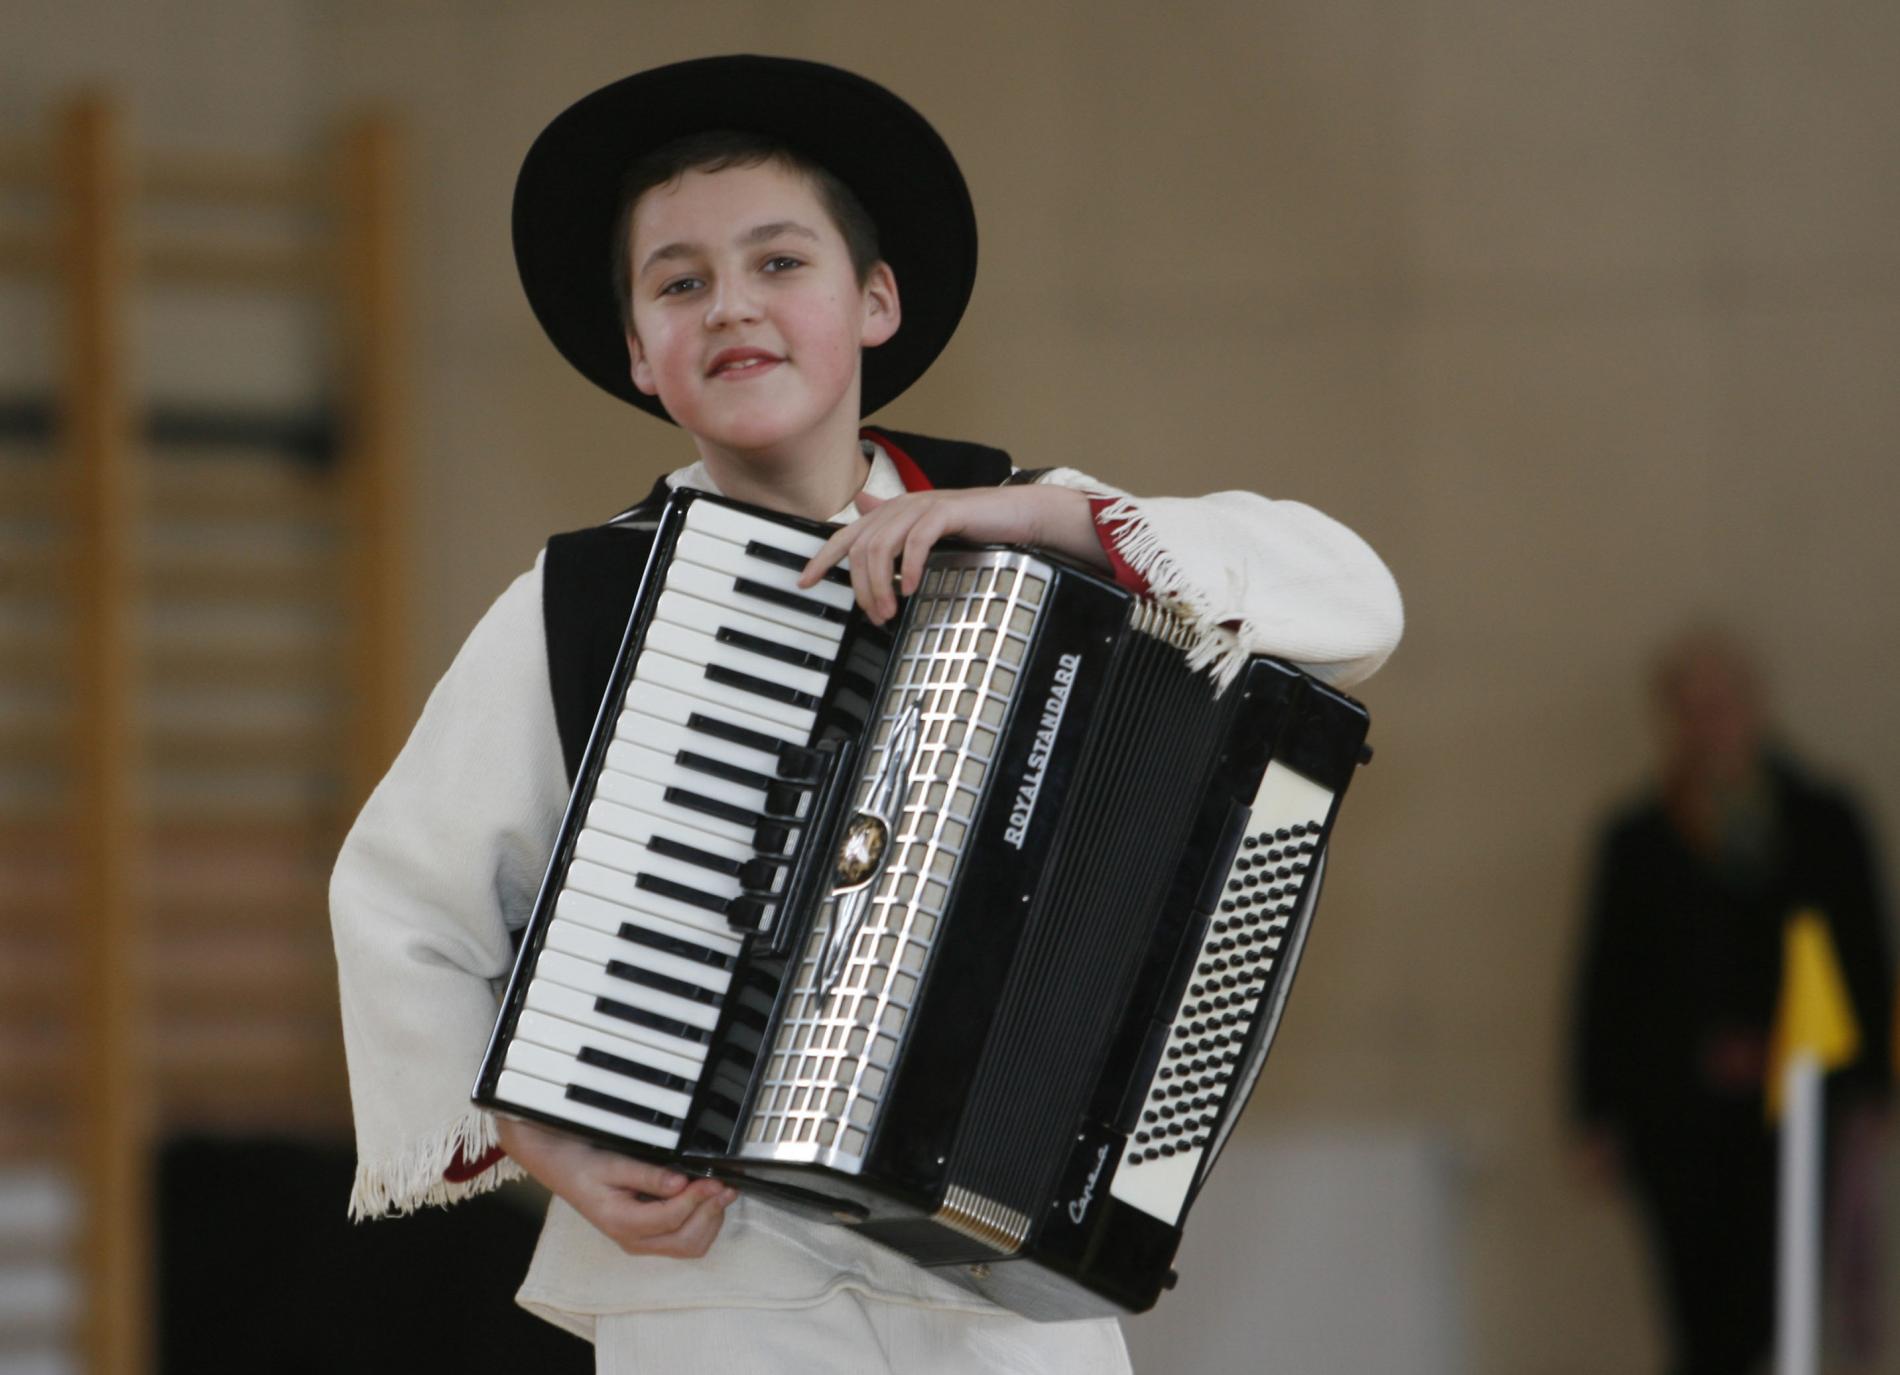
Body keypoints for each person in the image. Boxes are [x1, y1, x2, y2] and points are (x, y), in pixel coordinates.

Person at [331, 55, 1404, 1374]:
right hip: (720, 1289)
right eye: (679, 283)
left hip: (1006, 1298)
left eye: (780, 262)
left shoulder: (1034, 537)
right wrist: (543, 1136)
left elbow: (1356, 600)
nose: (733, 305)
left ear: (875, 300)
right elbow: (399, 909)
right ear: (639, 354)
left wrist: (1046, 514)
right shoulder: (580, 601)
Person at [1569, 627, 1893, 1375]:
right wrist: (1594, 1108)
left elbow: (1869, 954)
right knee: (1699, 1317)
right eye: (1692, 707)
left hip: (1801, 1105)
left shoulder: (1826, 820)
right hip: (1679, 1116)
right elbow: (1605, 979)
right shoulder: (1637, 839)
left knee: (1784, 1298)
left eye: (1723, 702)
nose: (1710, 722)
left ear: (1754, 704)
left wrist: (1873, 1083)